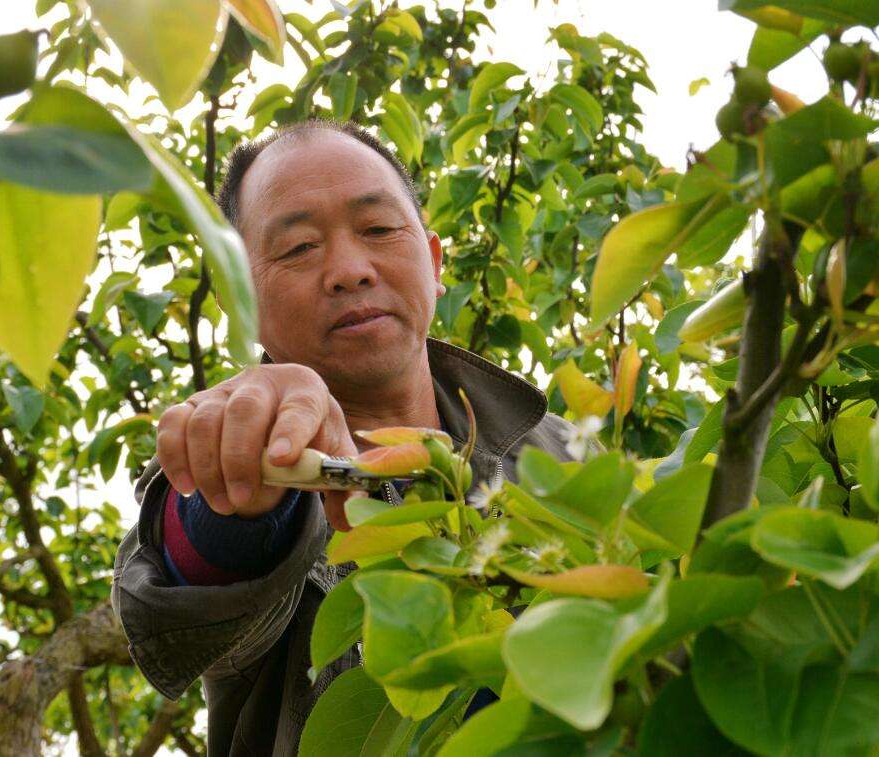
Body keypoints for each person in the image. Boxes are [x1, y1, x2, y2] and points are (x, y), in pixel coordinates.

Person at [111, 120, 579, 755]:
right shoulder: (247, 460)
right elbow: (202, 558)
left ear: (435, 263)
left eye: (380, 229)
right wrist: (256, 477)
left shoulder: (568, 454)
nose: (350, 270)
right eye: (299, 247)